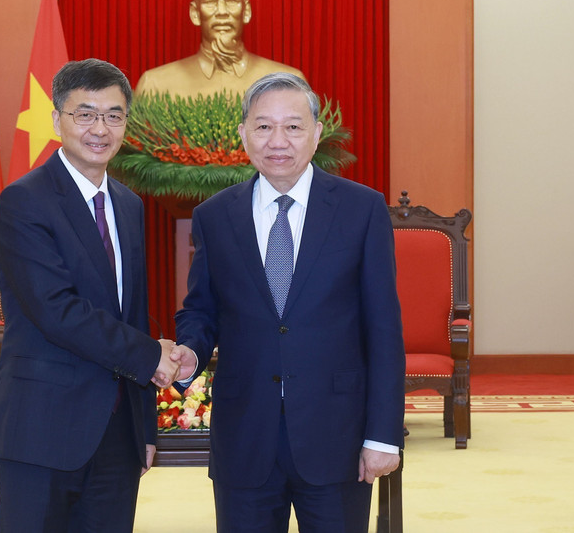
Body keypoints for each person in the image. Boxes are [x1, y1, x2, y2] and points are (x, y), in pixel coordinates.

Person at [169, 73, 406, 533]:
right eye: (263, 127)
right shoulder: (215, 216)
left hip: (337, 435)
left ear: (317, 133)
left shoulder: (362, 210)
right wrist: (190, 352)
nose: (278, 141)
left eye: (293, 127)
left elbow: (383, 329)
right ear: (243, 134)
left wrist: (383, 435)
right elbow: (201, 309)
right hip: (245, 436)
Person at [0, 59, 181, 532]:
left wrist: (143, 428)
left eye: (113, 115)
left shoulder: (129, 206)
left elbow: (132, 315)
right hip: (41, 429)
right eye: (84, 114)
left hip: (115, 436)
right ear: (56, 120)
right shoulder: (24, 201)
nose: (100, 129)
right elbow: (56, 311)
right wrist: (153, 355)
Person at [134, 0, 305, 99]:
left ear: (246, 11)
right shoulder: (155, 86)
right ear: (195, 13)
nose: (222, 11)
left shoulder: (289, 83)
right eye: (210, 2)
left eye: (231, 0)